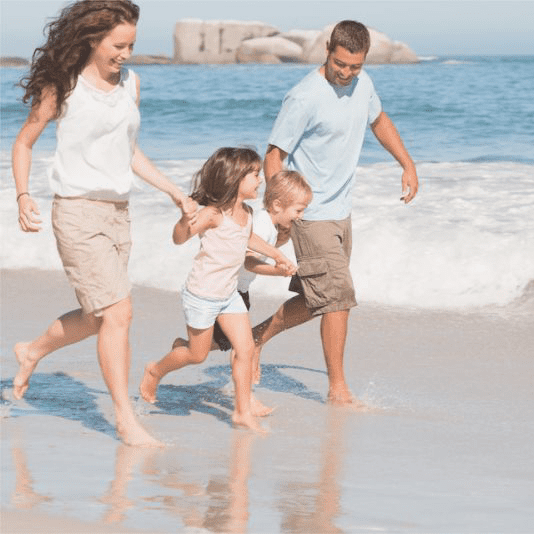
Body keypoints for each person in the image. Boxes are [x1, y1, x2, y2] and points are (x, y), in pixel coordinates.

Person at [11, 0, 195, 447]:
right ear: (93, 39)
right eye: (118, 45)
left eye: (131, 45)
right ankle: (124, 418)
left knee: (99, 317)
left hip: (118, 214)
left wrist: (173, 190)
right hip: (75, 211)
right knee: (119, 312)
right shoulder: (64, 85)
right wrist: (22, 196)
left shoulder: (131, 83)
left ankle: (31, 350)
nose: (125, 54)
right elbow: (23, 143)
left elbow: (127, 151)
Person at [262, 20, 419, 405]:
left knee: (318, 301)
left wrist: (407, 164)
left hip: (342, 211)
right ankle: (337, 388)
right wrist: (280, 214)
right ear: (328, 50)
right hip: (309, 214)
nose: (346, 73)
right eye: (340, 64)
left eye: (355, 66)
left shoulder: (363, 85)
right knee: (339, 297)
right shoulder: (304, 96)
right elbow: (273, 157)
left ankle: (251, 339)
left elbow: (379, 121)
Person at [139, 147, 296, 432]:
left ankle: (241, 412)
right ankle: (155, 370)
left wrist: (277, 254)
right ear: (236, 178)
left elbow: (249, 239)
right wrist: (185, 218)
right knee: (197, 355)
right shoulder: (213, 215)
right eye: (255, 175)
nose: (260, 180)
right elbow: (179, 239)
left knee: (246, 348)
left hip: (229, 295)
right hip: (202, 294)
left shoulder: (246, 213)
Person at [210, 170, 312, 385]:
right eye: (299, 210)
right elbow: (248, 261)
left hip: (238, 290)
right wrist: (277, 270)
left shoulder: (269, 223)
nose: (301, 216)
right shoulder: (264, 225)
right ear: (277, 205)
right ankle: (244, 395)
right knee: (242, 344)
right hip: (230, 291)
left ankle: (184, 349)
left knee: (216, 344)